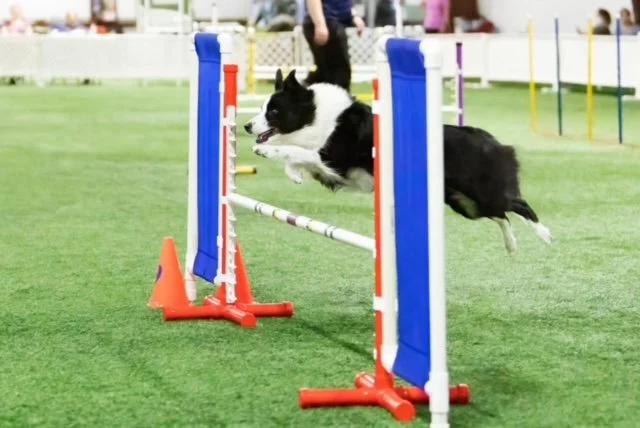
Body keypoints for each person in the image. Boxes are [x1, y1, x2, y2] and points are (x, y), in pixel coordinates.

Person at [302, 0, 365, 92]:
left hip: (332, 23)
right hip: (327, 23)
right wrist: (320, 24)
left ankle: (296, 92)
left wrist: (353, 15)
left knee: (326, 73)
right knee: (339, 75)